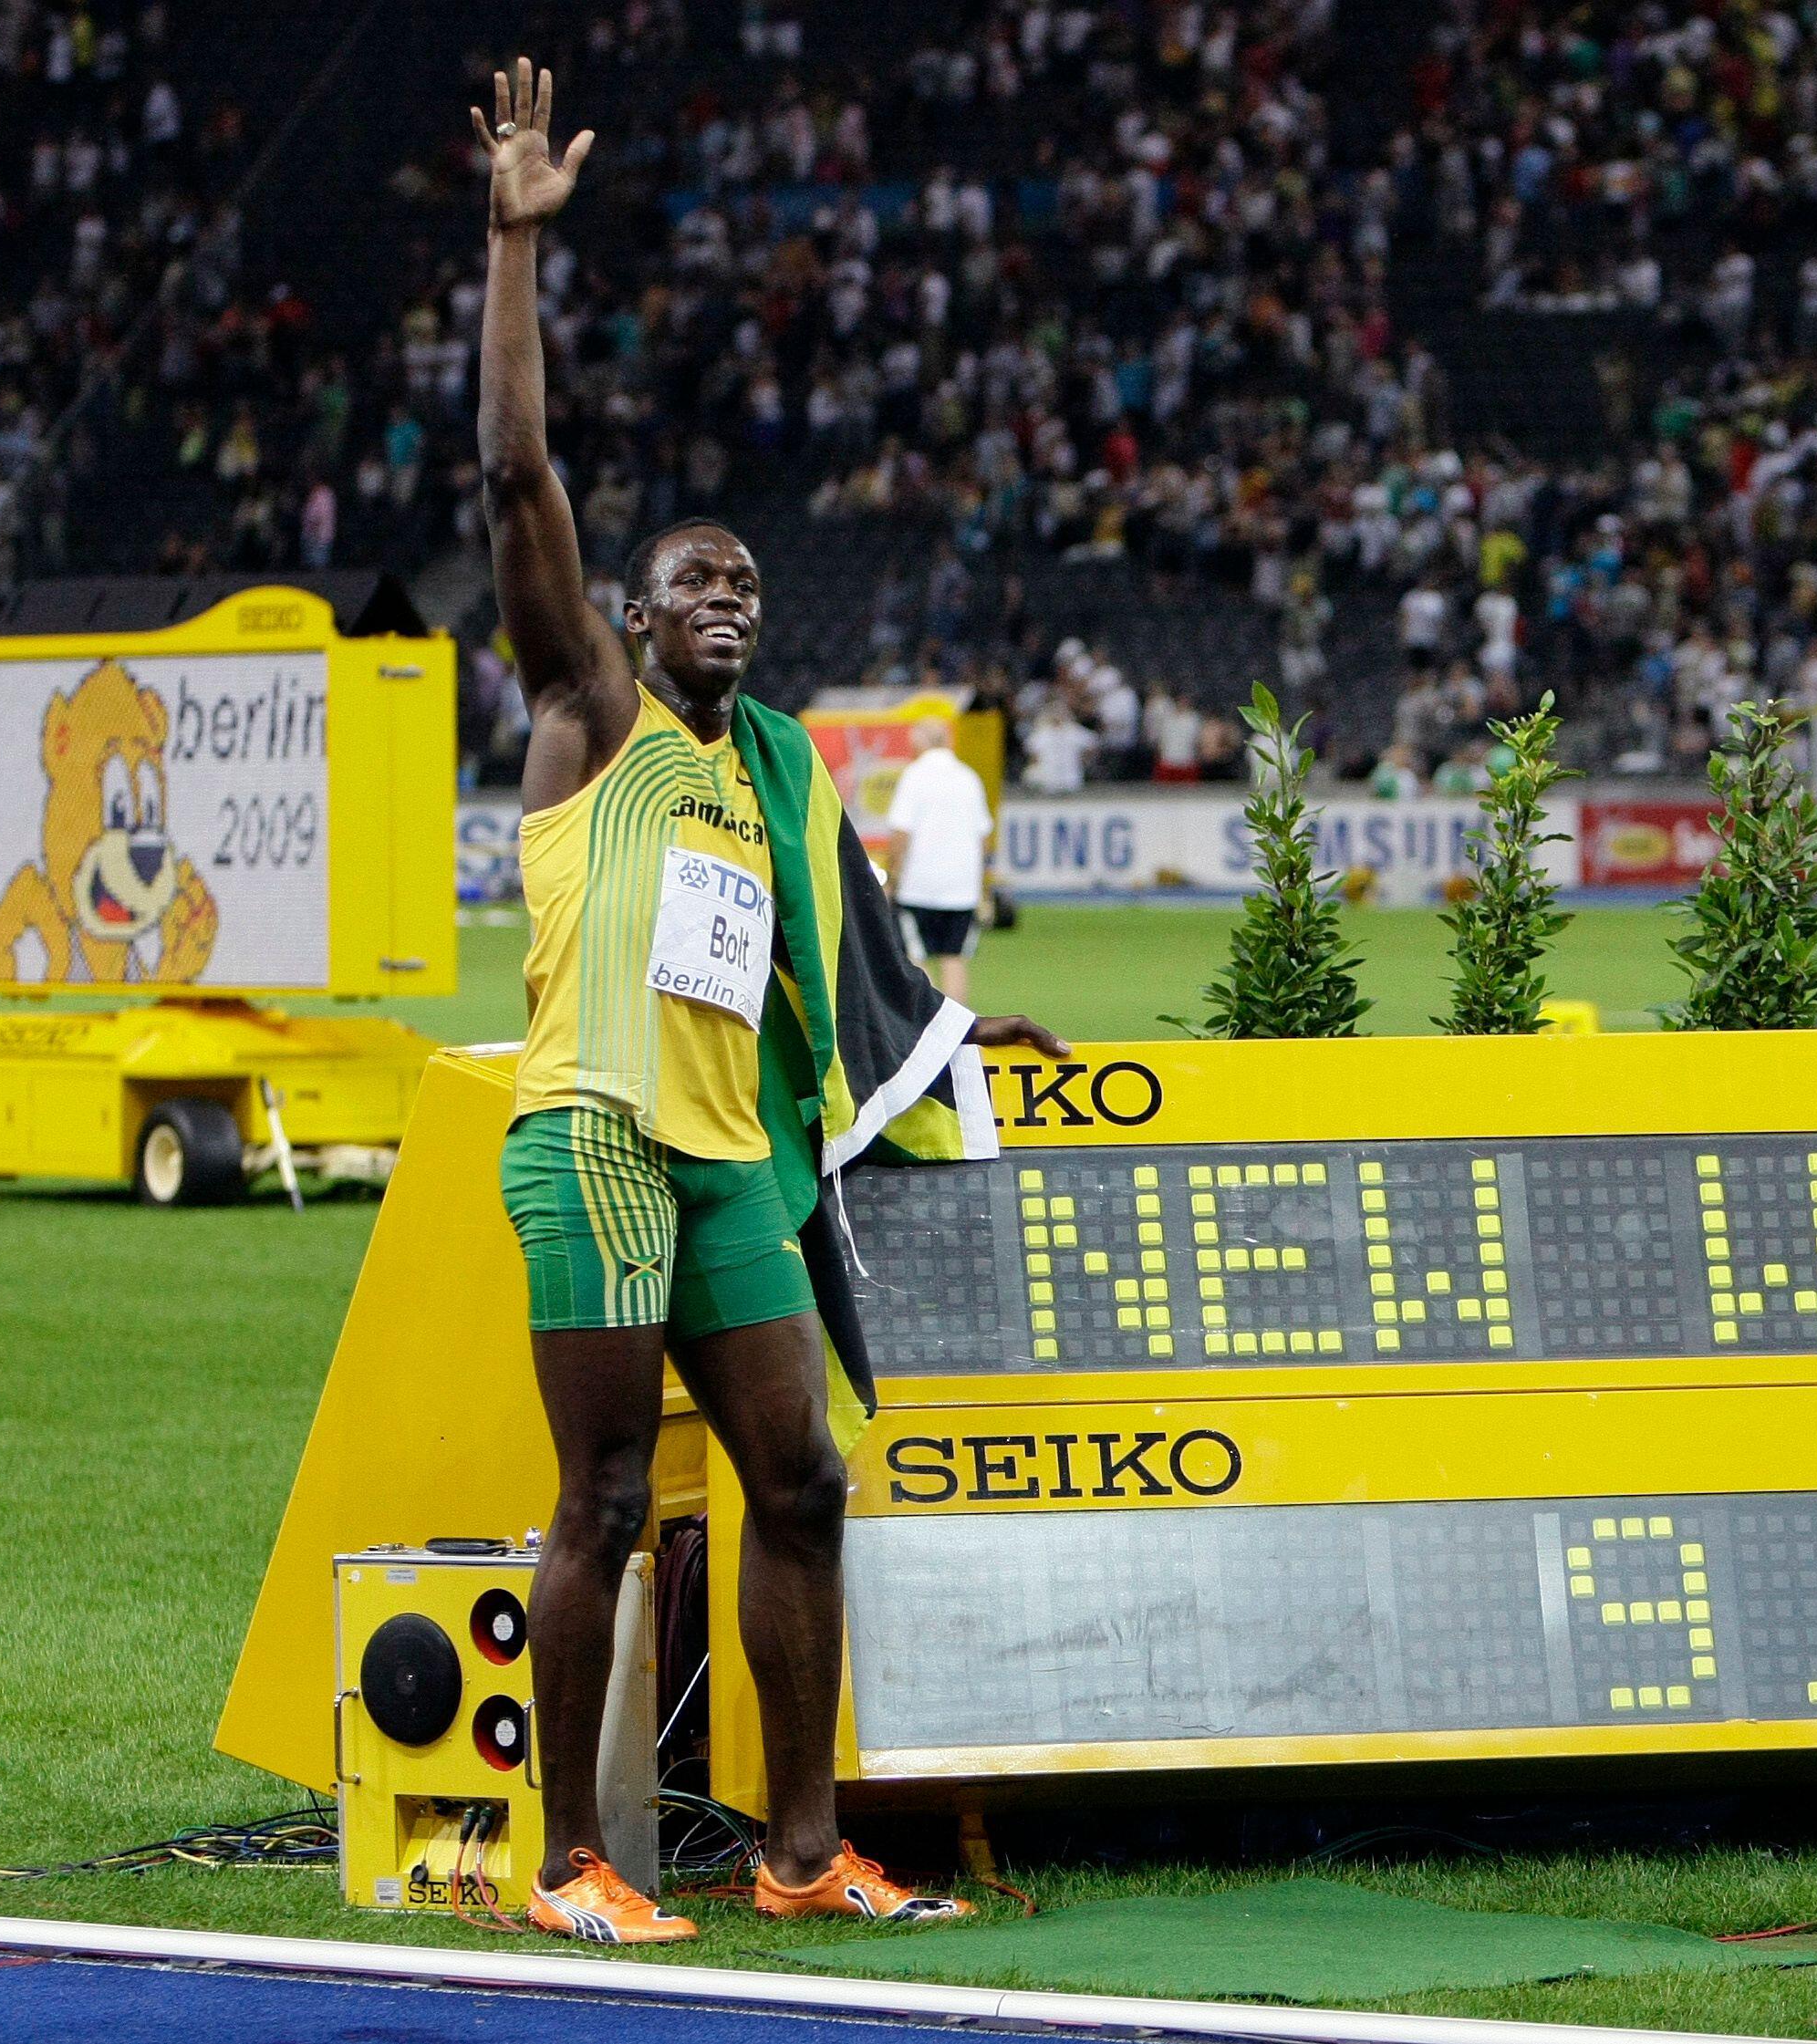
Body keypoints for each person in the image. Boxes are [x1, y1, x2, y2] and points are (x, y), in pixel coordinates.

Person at [471, 59, 1063, 1945]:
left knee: (797, 1476)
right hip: (593, 1134)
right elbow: (513, 477)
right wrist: (510, 248)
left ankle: (800, 1846)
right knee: (607, 1490)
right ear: (628, 620)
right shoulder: (589, 715)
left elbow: (851, 970)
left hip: (734, 1158)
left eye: (742, 579)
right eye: (687, 579)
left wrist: (960, 1038)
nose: (723, 592)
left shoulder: (780, 778)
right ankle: (568, 1860)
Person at [880, 715, 991, 1003]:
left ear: (919, 743)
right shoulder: (969, 777)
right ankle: (959, 1033)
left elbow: (901, 834)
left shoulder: (914, 776)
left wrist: (892, 877)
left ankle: (929, 1028)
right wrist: (982, 886)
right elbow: (983, 837)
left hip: (920, 885)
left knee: (917, 959)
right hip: (961, 888)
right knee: (954, 960)